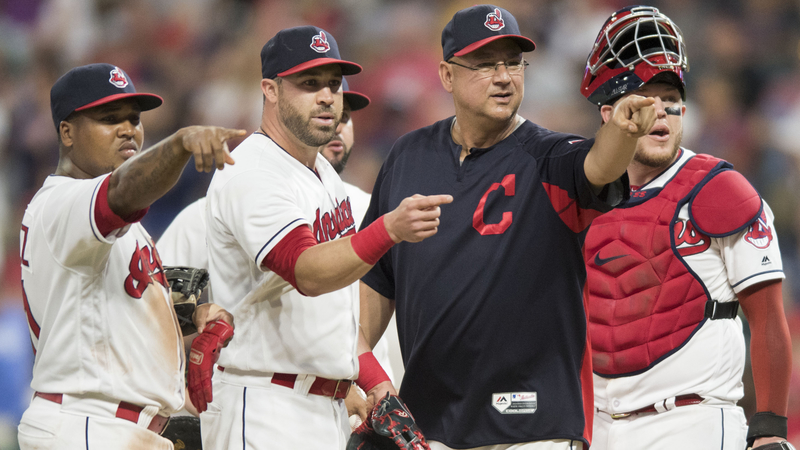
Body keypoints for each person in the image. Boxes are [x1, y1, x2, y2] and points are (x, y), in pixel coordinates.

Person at [357, 4, 657, 450]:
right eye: (484, 64)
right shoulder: (407, 156)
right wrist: (366, 373)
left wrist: (623, 129)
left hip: (533, 426)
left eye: (513, 62)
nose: (503, 76)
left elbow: (599, 163)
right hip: (432, 427)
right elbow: (376, 285)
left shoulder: (551, 157)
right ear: (446, 74)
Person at [200, 26, 451, 450]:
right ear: (270, 90)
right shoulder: (254, 169)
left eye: (334, 85)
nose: (326, 96)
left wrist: (377, 384)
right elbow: (307, 272)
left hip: (323, 405)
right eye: (309, 84)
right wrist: (388, 229)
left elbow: (334, 313)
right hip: (265, 403)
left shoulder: (324, 175)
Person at [579, 6, 793, 450]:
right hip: (596, 428)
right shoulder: (576, 194)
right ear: (610, 114)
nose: (661, 111)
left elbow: (768, 315)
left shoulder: (720, 191)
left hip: (691, 421)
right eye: (645, 97)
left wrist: (770, 427)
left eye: (670, 96)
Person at [17, 63, 242, 450]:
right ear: (66, 132)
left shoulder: (109, 226)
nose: (128, 130)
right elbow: (123, 191)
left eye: (134, 119)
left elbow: (107, 307)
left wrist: (189, 315)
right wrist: (179, 144)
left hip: (110, 423)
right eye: (108, 119)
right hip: (88, 422)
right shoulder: (64, 202)